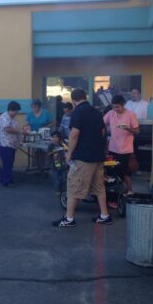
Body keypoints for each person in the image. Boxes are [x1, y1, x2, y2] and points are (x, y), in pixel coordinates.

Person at [53, 88, 112, 227]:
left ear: (73, 100)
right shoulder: (96, 112)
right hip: (98, 156)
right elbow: (103, 132)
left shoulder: (78, 112)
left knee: (73, 186)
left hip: (84, 157)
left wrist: (69, 155)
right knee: (99, 187)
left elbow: (74, 135)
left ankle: (69, 219)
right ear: (85, 97)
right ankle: (105, 215)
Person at [104, 94, 139, 195]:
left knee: (125, 172)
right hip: (112, 148)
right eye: (114, 107)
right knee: (111, 170)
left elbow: (137, 131)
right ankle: (116, 191)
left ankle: (130, 191)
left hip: (125, 149)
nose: (115, 109)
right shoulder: (111, 113)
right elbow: (102, 123)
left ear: (123, 104)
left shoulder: (131, 114)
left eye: (118, 107)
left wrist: (128, 128)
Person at [0, 101, 22, 187]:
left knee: (8, 163)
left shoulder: (11, 118)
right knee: (7, 163)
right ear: (12, 110)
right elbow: (7, 129)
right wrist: (19, 131)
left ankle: (5, 178)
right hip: (5, 144)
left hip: (10, 144)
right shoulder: (5, 117)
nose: (17, 113)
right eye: (16, 111)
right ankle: (7, 181)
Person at [47, 130, 67, 195]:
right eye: (53, 137)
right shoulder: (51, 146)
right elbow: (48, 154)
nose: (54, 139)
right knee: (56, 179)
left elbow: (67, 149)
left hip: (63, 165)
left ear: (59, 138)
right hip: (54, 165)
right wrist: (53, 152)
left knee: (64, 178)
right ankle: (58, 190)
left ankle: (63, 190)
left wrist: (64, 147)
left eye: (56, 137)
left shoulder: (62, 144)